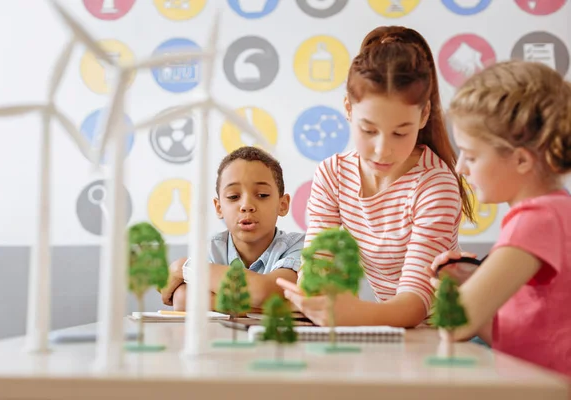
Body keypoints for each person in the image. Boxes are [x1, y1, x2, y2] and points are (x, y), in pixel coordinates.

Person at [277, 26, 474, 328]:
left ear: (423, 116)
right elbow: (319, 263)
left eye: (400, 132)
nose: (383, 150)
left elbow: (414, 304)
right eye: (369, 130)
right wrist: (314, 293)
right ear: (348, 109)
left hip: (445, 331)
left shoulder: (436, 185)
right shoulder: (333, 174)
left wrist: (348, 314)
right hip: (391, 329)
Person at [427, 60, 571, 377]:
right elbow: (516, 334)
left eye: (472, 155)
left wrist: (446, 292)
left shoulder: (536, 219)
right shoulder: (557, 210)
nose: (460, 167)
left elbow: (457, 326)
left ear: (520, 159)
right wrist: (473, 285)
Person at [160, 146, 305, 311]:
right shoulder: (211, 250)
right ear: (219, 207)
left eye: (262, 195)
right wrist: (273, 307)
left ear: (283, 204)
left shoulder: (298, 246)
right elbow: (183, 298)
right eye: (233, 197)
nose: (246, 205)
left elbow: (265, 292)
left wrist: (182, 268)